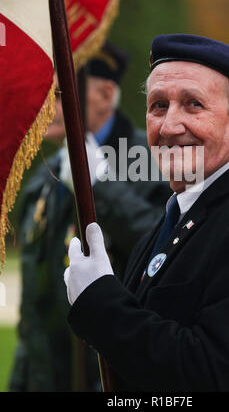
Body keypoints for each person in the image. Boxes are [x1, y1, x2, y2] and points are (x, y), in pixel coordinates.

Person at [65, 34, 229, 392]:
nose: (169, 126)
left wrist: (101, 303)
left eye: (193, 104)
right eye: (158, 106)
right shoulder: (173, 218)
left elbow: (215, 376)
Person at [9, 42, 171, 392]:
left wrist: (97, 185)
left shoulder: (154, 160)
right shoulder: (48, 174)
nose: (44, 106)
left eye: (56, 94)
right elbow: (34, 315)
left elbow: (163, 245)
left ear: (105, 94)